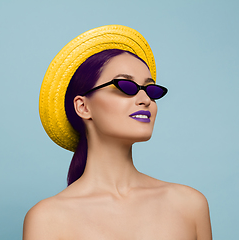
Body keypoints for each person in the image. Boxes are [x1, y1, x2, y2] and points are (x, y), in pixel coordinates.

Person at [23, 25, 212, 240]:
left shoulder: (190, 205)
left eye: (150, 89)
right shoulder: (47, 219)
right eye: (126, 86)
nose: (145, 100)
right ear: (83, 107)